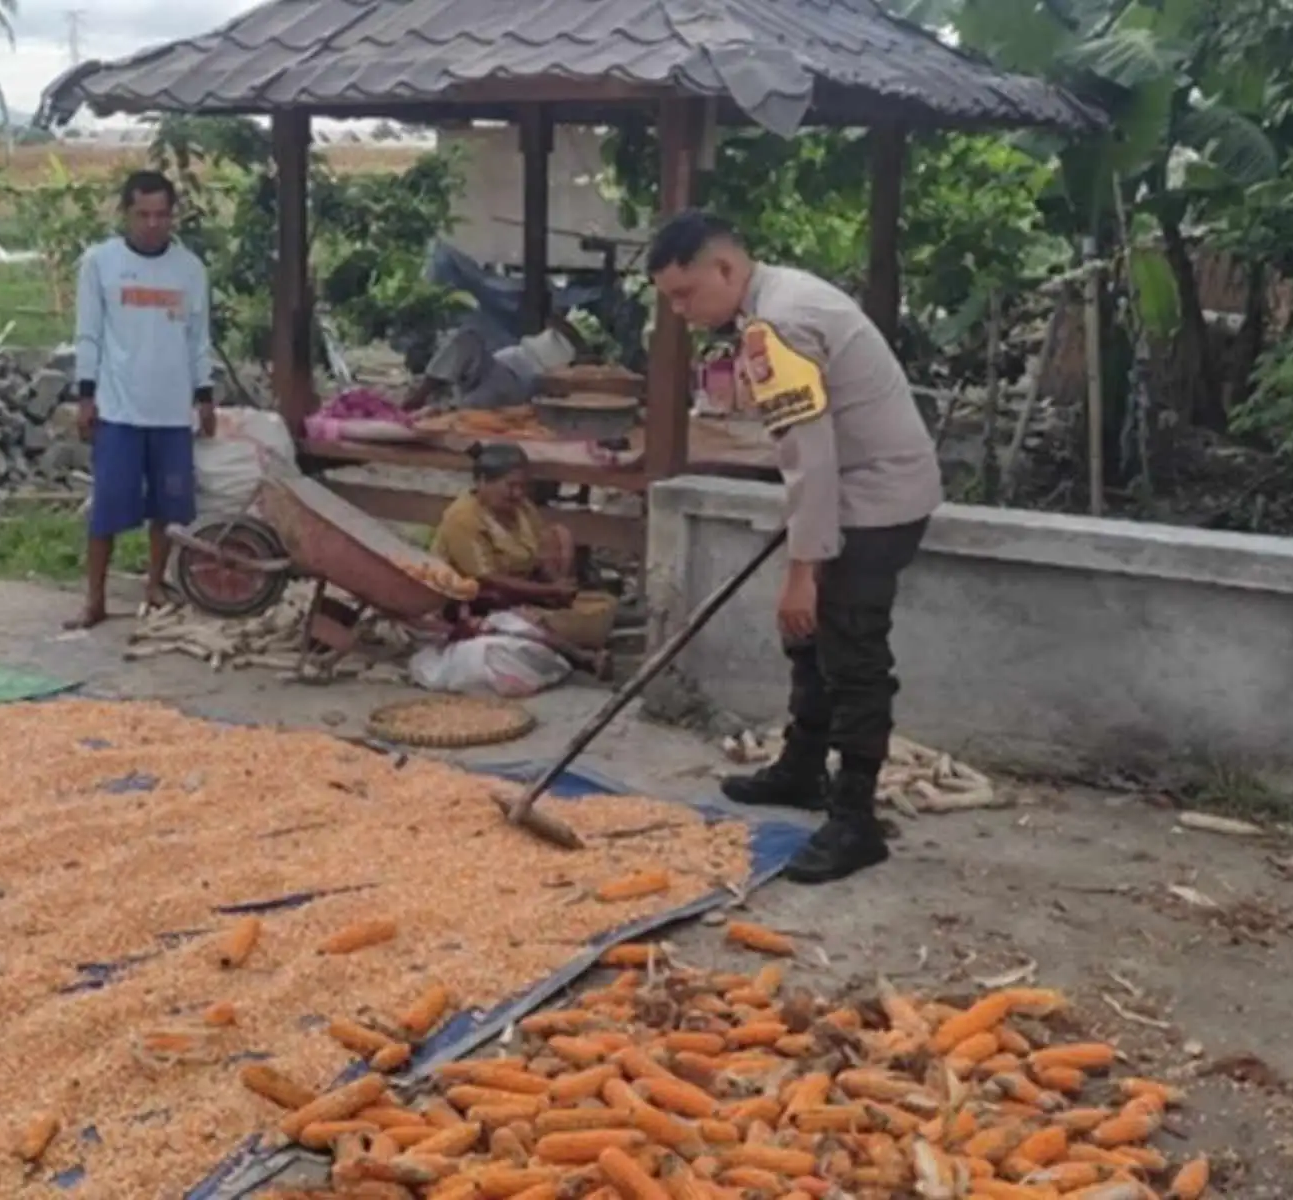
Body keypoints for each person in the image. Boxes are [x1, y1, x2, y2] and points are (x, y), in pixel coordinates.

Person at [644, 210, 944, 885]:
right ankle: (802, 768)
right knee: (808, 640)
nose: (679, 311)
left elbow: (811, 455)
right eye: (669, 299)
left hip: (875, 500)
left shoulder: (777, 325)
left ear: (725, 267)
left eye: (685, 293)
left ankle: (855, 820)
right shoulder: (778, 298)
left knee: (851, 654)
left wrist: (802, 572)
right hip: (855, 489)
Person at [67, 169, 217, 630]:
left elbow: (198, 339)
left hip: (172, 410)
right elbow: (88, 334)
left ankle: (154, 584)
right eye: (143, 214)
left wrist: (205, 396)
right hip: (119, 409)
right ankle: (94, 599)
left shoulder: (190, 269)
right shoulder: (100, 263)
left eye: (161, 215)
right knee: (108, 508)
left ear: (173, 216)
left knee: (169, 509)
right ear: (126, 213)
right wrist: (86, 396)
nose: (153, 224)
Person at [428, 442, 612, 676]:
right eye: (510, 486)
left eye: (523, 486)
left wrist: (555, 582)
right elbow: (487, 578)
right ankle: (580, 657)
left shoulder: (522, 508)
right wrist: (548, 591)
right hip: (474, 598)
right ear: (482, 482)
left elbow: (539, 550)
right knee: (518, 621)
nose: (518, 494)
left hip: (519, 585)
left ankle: (561, 621)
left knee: (559, 536)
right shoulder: (462, 518)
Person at [402, 314, 585, 412]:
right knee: (467, 338)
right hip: (491, 374)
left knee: (469, 341)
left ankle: (434, 402)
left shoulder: (545, 373)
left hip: (509, 382)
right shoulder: (522, 354)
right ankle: (428, 396)